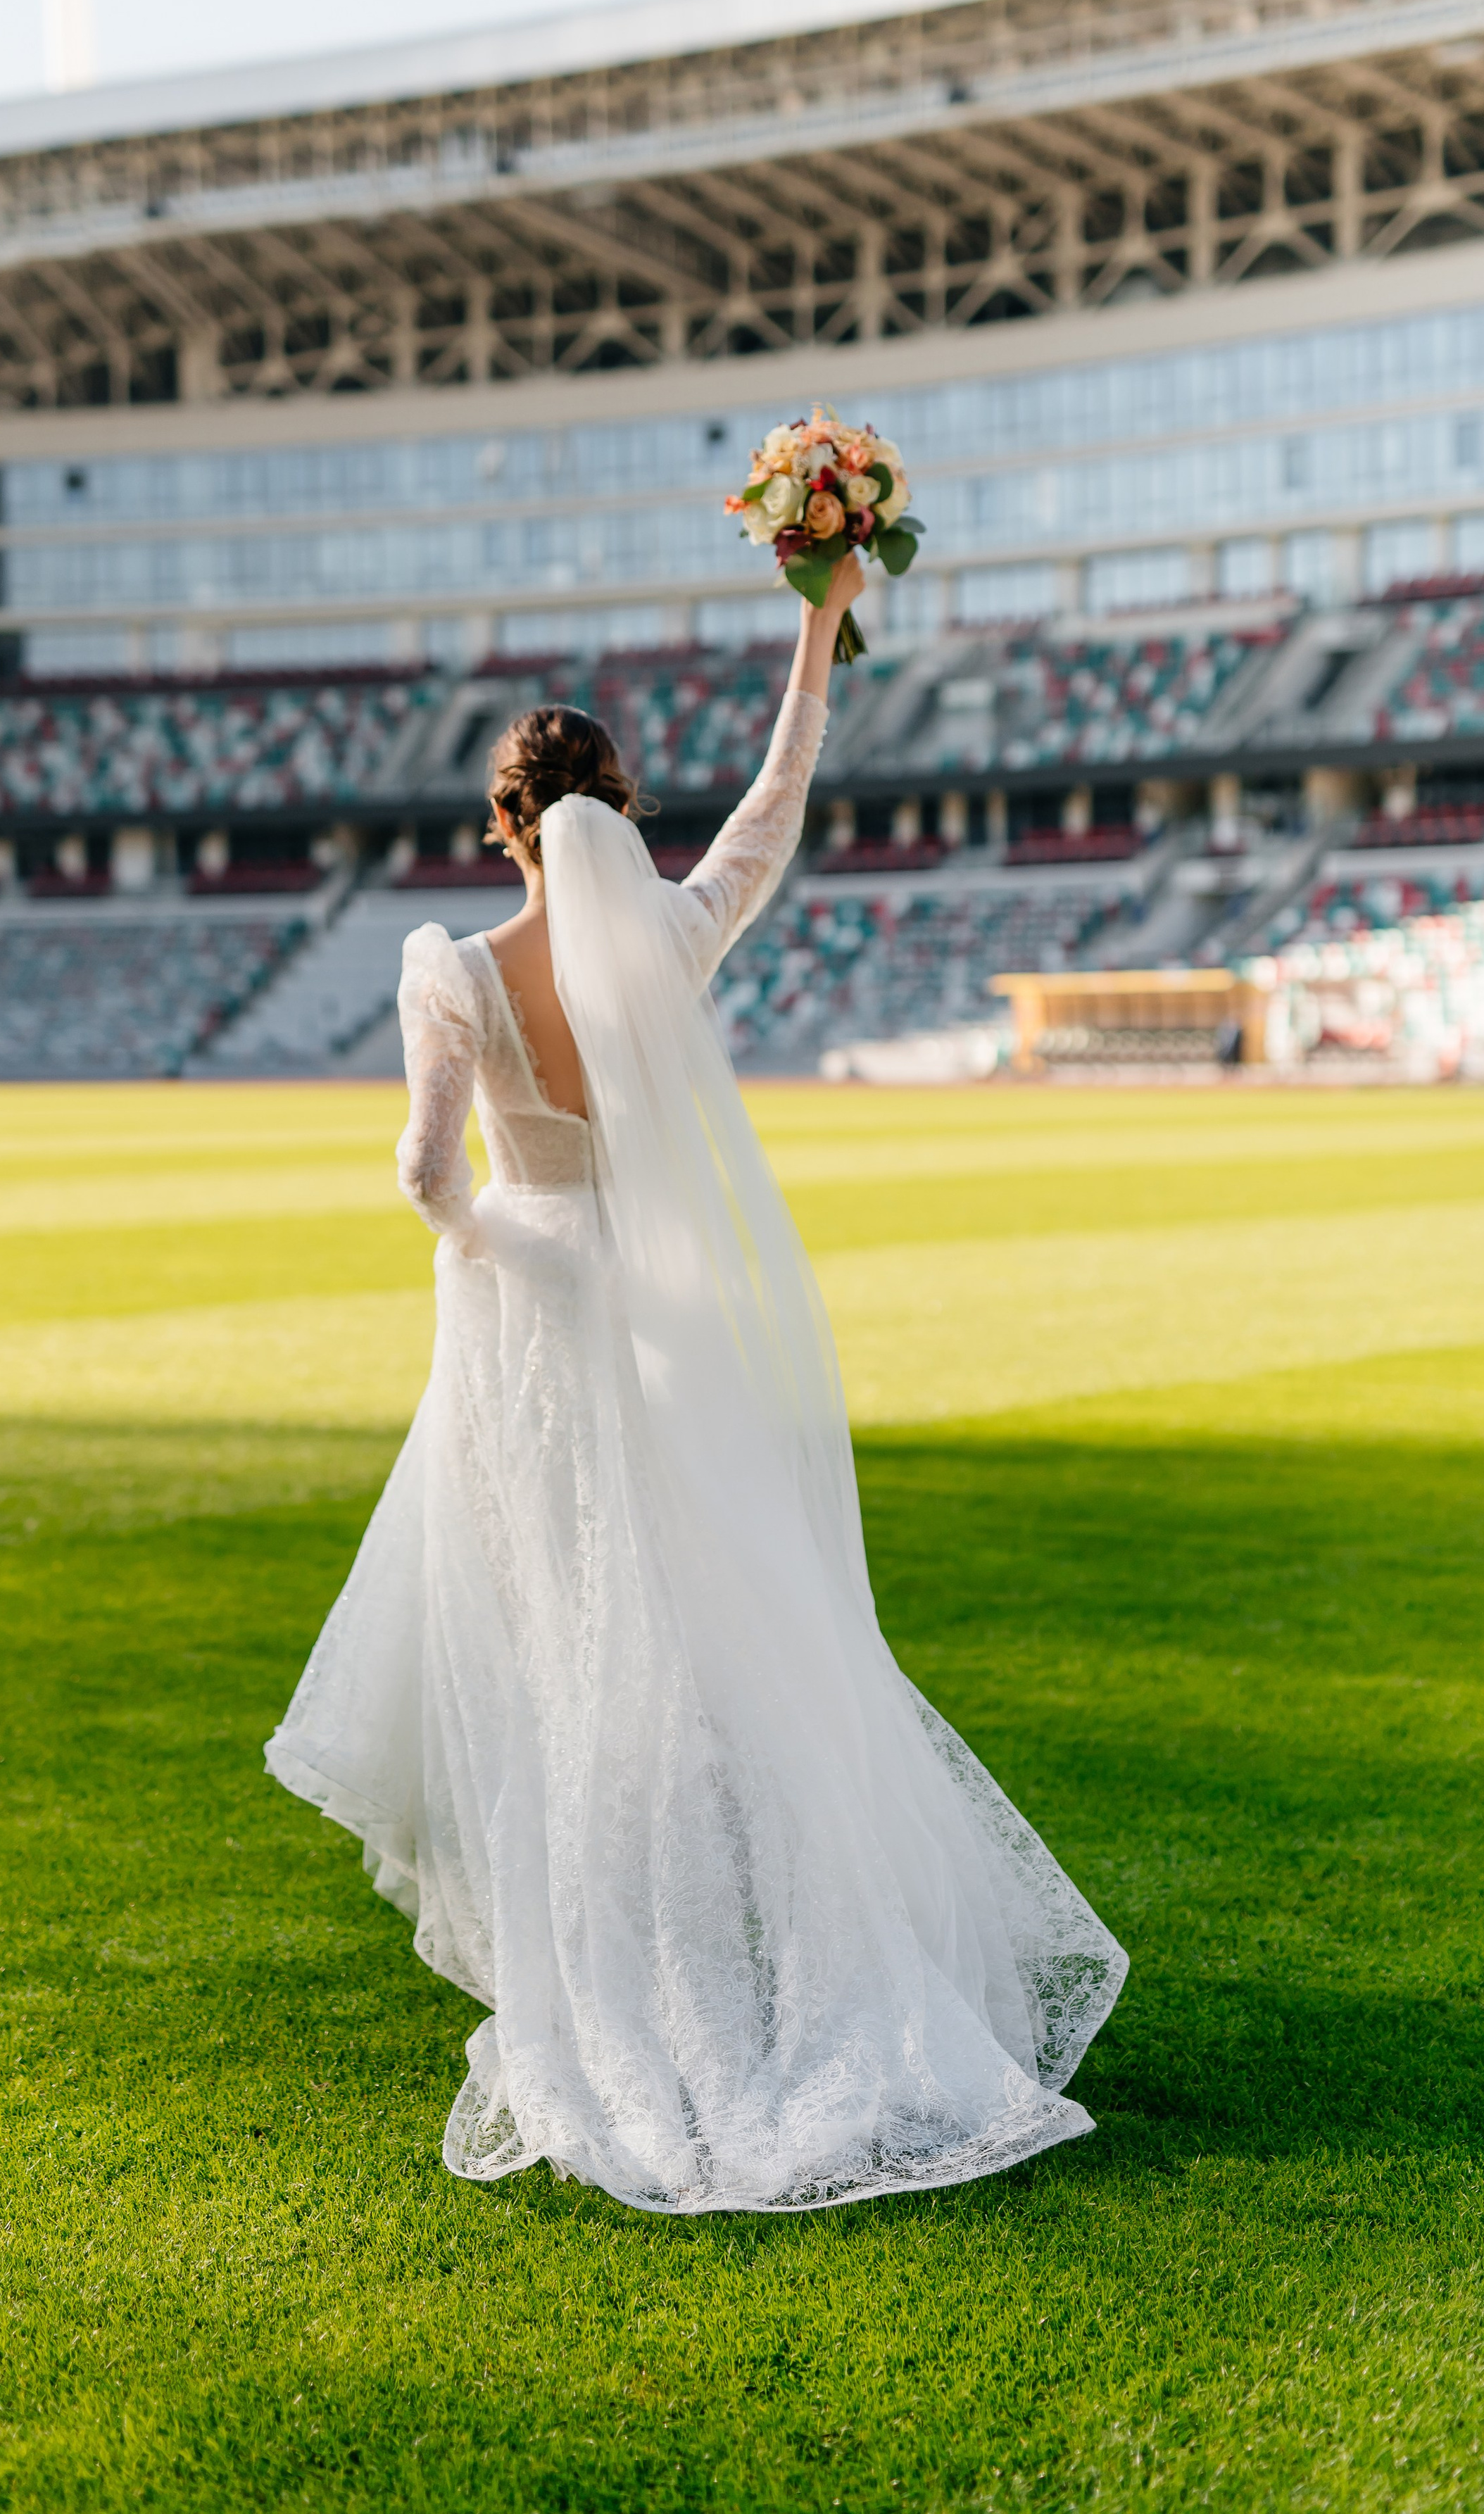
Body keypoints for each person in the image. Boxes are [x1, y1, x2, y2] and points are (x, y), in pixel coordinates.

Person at [265, 554, 1126, 2213]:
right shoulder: (666, 939)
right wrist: (821, 619)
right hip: (656, 1326)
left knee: (552, 1658)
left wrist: (522, 1252)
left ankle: (604, 2000)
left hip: (524, 1331)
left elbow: (425, 1183)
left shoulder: (447, 969)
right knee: (690, 1640)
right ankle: (758, 1979)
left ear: (508, 826)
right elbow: (777, 795)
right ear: (615, 809)